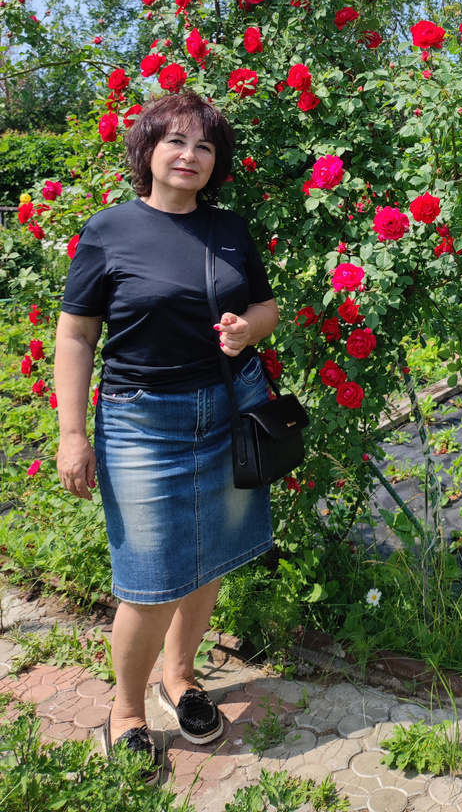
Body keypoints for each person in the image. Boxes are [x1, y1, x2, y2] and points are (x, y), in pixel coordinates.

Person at [54, 90, 279, 779]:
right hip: (142, 421)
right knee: (149, 581)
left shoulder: (229, 229)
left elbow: (265, 306)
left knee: (210, 555)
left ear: (216, 163)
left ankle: (178, 679)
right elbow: (76, 333)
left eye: (204, 146)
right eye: (176, 141)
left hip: (224, 407)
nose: (190, 155)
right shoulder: (110, 231)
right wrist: (71, 433)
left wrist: (250, 327)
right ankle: (125, 713)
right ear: (148, 151)